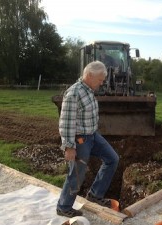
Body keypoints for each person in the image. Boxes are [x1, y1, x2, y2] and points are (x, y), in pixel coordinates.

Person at [56, 61, 119, 218]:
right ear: (90, 75)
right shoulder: (74, 93)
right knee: (77, 173)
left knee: (112, 159)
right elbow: (66, 122)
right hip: (79, 139)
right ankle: (63, 207)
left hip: (93, 135)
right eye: (100, 79)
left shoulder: (89, 90)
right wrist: (69, 146)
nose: (102, 82)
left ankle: (95, 195)